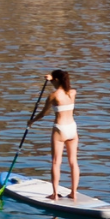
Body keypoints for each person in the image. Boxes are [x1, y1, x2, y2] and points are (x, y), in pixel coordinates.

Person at [31, 69, 80, 199]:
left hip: (60, 129)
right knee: (73, 162)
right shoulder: (72, 92)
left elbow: (43, 114)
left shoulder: (53, 96)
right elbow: (62, 81)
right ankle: (73, 193)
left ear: (56, 80)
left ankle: (54, 194)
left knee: (55, 162)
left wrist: (31, 121)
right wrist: (52, 78)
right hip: (72, 128)